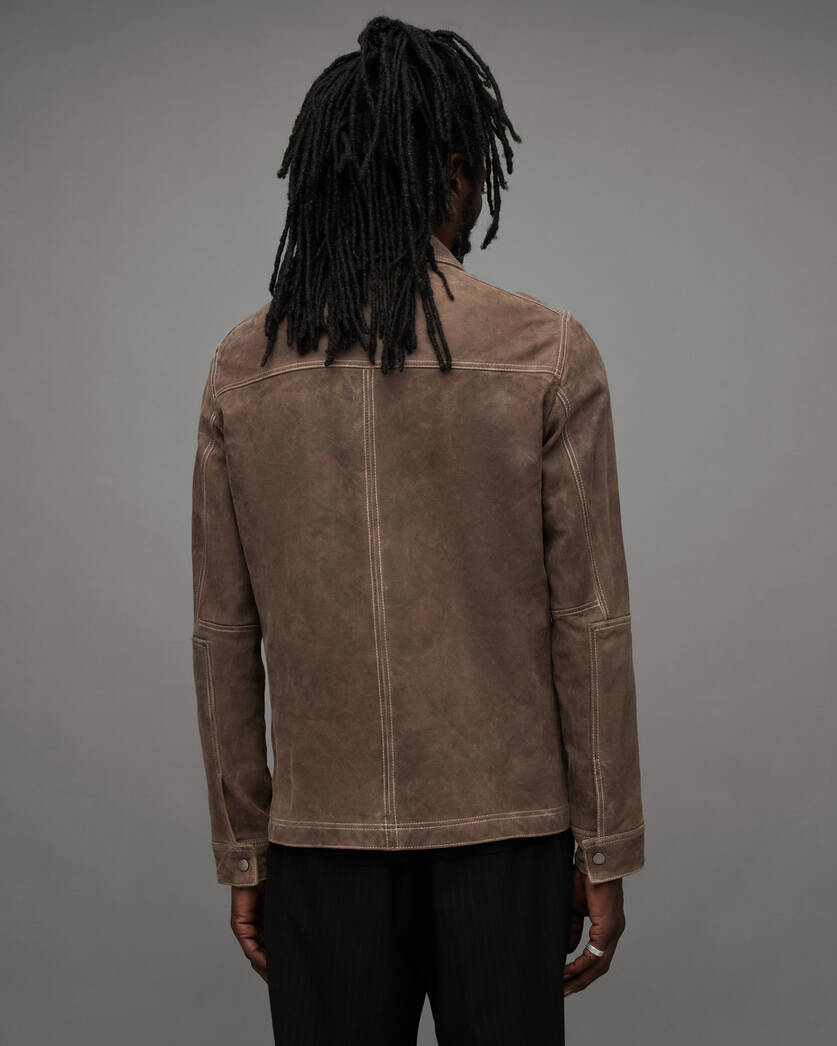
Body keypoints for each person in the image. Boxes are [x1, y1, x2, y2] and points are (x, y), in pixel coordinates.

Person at [190, 14, 645, 1045]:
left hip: (320, 841)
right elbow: (590, 623)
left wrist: (245, 848)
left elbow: (223, 633)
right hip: (508, 838)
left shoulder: (244, 366)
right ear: (455, 176)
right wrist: (604, 844)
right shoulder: (545, 349)